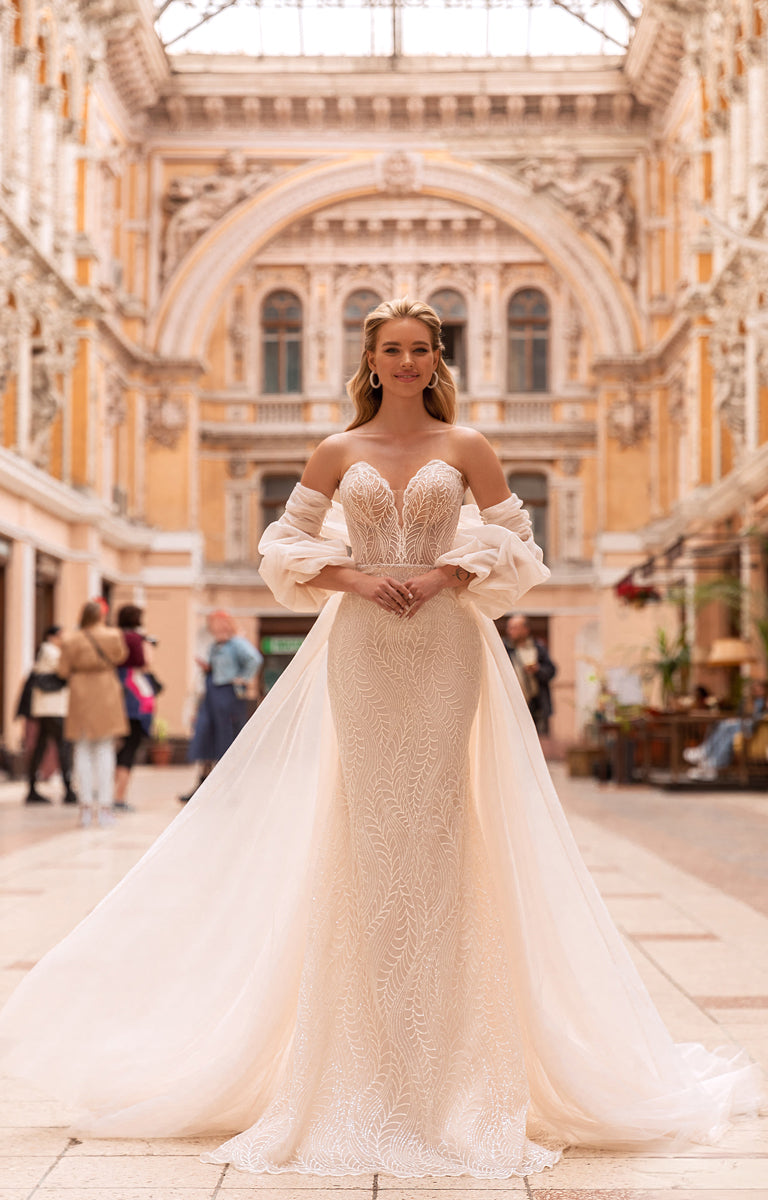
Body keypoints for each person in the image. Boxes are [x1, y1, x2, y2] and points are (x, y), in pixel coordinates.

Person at [0, 300, 761, 1176]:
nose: (405, 362)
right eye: (391, 350)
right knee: (367, 828)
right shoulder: (337, 451)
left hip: (444, 647)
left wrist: (443, 571)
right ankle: (353, 1058)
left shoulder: (468, 446)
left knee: (438, 825)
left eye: (420, 350)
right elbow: (281, 546)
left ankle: (454, 1068)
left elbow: (519, 543)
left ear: (439, 360)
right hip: (362, 648)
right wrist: (356, 578)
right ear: (368, 361)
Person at [57, 601, 128, 827]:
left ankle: (85, 807)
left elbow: (62, 670)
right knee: (106, 749)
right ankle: (105, 807)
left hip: (80, 693)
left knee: (82, 749)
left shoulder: (71, 639)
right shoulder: (113, 635)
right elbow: (121, 657)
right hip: (106, 691)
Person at [179, 610, 262, 803]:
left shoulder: (236, 643)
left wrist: (243, 678)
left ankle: (229, 787)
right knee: (205, 735)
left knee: (226, 739)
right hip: (212, 695)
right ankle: (203, 784)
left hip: (227, 696)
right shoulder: (217, 644)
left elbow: (254, 659)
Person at [23, 625, 77, 806]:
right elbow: (65, 670)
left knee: (41, 746)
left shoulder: (45, 652)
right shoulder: (51, 651)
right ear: (52, 637)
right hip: (54, 709)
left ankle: (32, 788)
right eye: (61, 636)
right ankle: (68, 790)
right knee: (63, 746)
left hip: (45, 708)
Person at [114, 605, 157, 812]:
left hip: (115, 693)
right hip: (134, 696)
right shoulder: (136, 639)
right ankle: (119, 796)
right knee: (130, 748)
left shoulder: (113, 636)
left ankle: (109, 794)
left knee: (116, 747)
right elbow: (146, 663)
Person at [684, 679, 766, 781]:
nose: (757, 690)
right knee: (725, 730)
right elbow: (740, 715)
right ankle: (711, 760)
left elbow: (756, 720)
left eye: (760, 688)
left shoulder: (763, 702)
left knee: (726, 726)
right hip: (743, 726)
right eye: (755, 688)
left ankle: (707, 753)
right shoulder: (749, 702)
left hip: (752, 729)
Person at [502, 613, 557, 735]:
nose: (510, 631)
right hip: (514, 703)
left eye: (515, 628)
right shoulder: (504, 648)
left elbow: (551, 670)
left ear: (525, 629)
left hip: (536, 703)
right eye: (510, 627)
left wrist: (538, 669)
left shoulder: (538, 647)